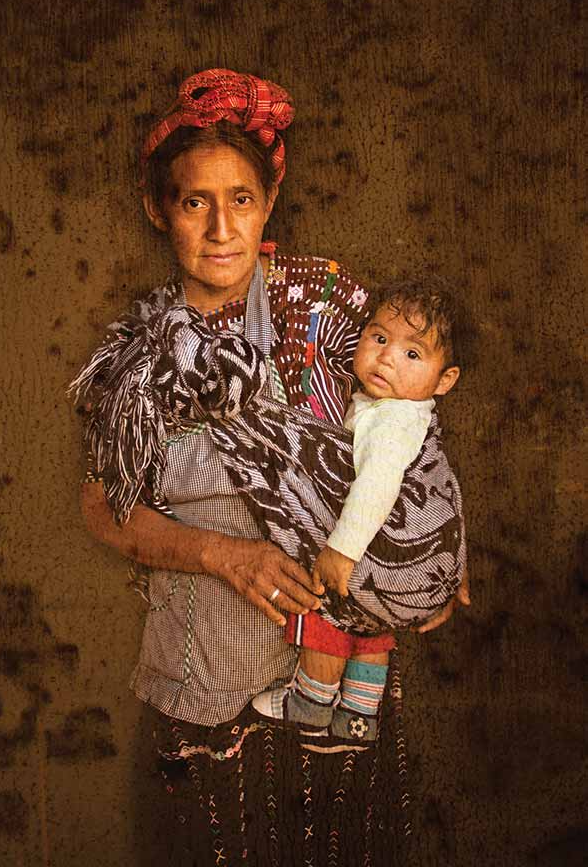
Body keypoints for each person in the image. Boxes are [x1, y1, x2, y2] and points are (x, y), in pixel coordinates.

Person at [74, 68, 470, 866]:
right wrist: (224, 556)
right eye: (195, 203)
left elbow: (406, 426)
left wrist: (437, 557)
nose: (222, 228)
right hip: (207, 689)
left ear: (268, 203)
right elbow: (100, 510)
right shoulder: (138, 359)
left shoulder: (329, 309)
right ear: (160, 210)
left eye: (242, 200)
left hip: (336, 701)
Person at [253, 277, 468, 743]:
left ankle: (311, 701)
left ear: (444, 379)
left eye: (413, 354)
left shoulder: (392, 420)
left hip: (373, 543)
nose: (388, 357)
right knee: (374, 626)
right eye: (379, 338)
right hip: (400, 559)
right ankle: (358, 716)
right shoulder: (400, 411)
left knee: (328, 605)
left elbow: (376, 485)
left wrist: (342, 550)